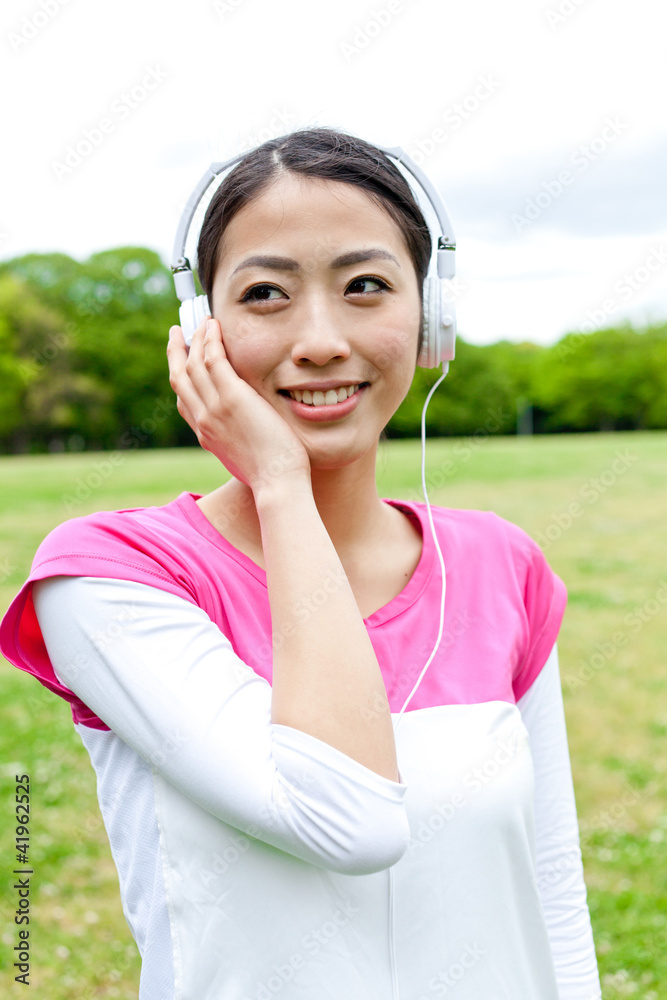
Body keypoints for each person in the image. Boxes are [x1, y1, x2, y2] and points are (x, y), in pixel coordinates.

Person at [0, 127, 602, 999]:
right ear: (201, 330)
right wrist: (279, 484)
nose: (319, 339)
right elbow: (347, 822)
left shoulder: (500, 564)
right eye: (266, 294)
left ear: (430, 314)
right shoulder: (112, 576)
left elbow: (548, 891)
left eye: (365, 286)